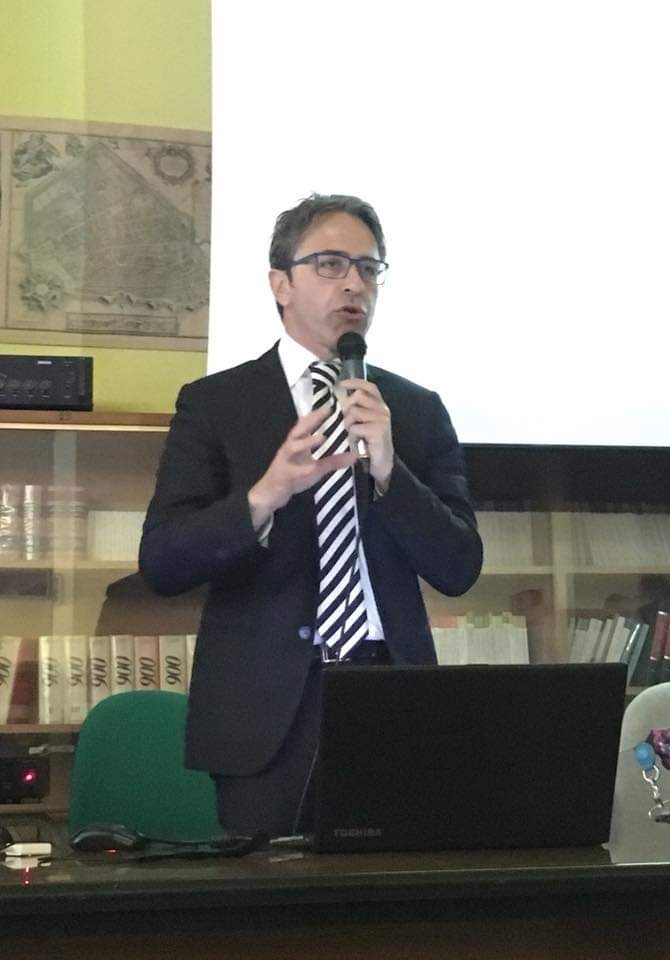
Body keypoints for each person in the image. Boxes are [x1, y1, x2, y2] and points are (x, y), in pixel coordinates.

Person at [139, 193, 483, 836]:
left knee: (401, 895)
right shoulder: (216, 404)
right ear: (281, 283)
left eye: (369, 268)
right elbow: (162, 562)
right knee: (267, 898)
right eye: (330, 264)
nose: (354, 283)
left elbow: (459, 565)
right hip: (262, 714)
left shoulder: (415, 409)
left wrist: (391, 472)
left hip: (393, 699)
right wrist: (264, 496)